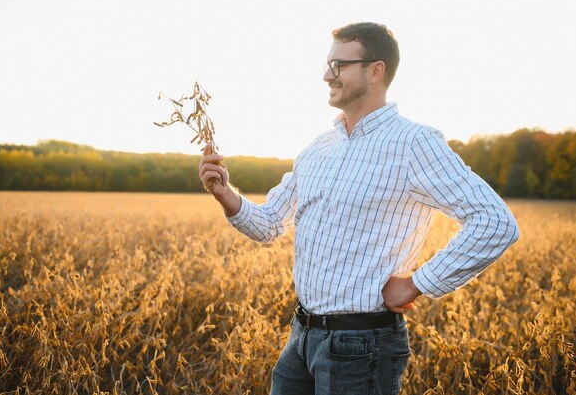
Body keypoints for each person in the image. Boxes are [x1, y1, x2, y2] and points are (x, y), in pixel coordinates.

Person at [198, 22, 519, 395]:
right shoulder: (318, 148)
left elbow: (495, 222)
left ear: (376, 70)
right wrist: (225, 194)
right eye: (327, 64)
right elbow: (270, 223)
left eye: (338, 65)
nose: (325, 75)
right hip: (300, 337)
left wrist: (418, 284)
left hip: (362, 346)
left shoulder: (413, 143)